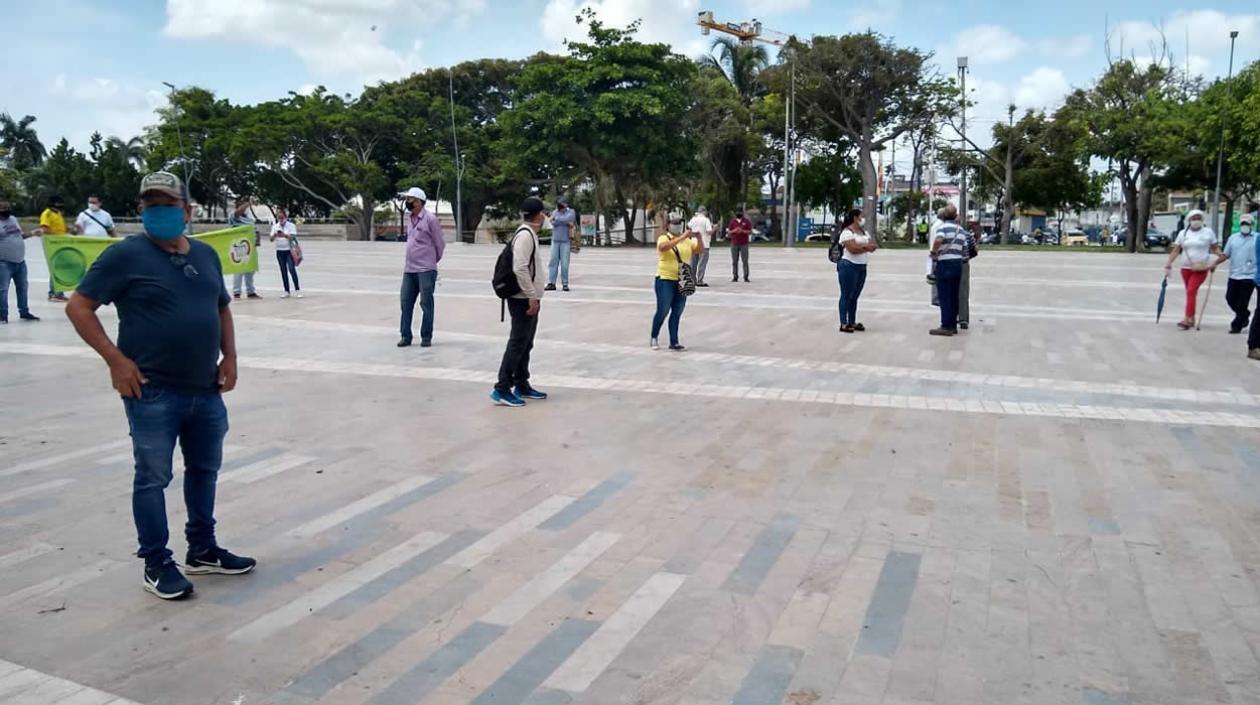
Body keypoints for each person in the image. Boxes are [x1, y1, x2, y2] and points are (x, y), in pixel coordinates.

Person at [65, 171, 254, 601]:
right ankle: (156, 562)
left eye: (168, 206)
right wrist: (116, 360)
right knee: (152, 478)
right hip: (152, 392)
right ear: (141, 211)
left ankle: (202, 549)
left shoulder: (206, 254)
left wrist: (231, 359)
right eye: (151, 206)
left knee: (205, 470)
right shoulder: (125, 256)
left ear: (186, 211)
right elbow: (79, 307)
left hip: (205, 388)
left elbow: (221, 308)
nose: (159, 213)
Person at [491, 197, 548, 408]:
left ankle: (521, 383)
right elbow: (520, 268)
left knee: (526, 342)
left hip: (528, 298)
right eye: (543, 214)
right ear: (538, 215)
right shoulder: (525, 236)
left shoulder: (528, 233)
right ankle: (502, 388)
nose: (545, 218)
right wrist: (532, 295)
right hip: (522, 299)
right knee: (517, 343)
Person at [397, 187, 445, 348]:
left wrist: (431, 261)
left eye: (410, 200)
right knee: (405, 301)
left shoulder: (430, 219)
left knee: (426, 303)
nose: (407, 203)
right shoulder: (409, 219)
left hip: (426, 269)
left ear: (418, 202)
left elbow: (440, 244)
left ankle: (426, 336)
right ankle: (405, 335)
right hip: (409, 269)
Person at [1164, 209, 1221, 330]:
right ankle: (1192, 317)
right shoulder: (1183, 233)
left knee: (1191, 290)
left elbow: (1215, 248)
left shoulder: (1208, 232)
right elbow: (1176, 250)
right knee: (1191, 293)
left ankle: (1187, 318)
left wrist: (1218, 258)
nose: (1196, 220)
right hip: (1186, 268)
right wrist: (1169, 263)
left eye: (1198, 218)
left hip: (1201, 268)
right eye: (1194, 218)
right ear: (1189, 220)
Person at [651, 214, 701, 351]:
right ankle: (654, 336)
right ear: (668, 225)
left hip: (682, 280)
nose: (677, 225)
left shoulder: (687, 241)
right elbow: (663, 247)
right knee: (663, 309)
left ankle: (674, 341)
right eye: (674, 222)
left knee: (677, 311)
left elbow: (699, 250)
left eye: (679, 222)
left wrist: (700, 238)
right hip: (665, 279)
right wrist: (682, 237)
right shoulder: (664, 237)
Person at [930, 204, 969, 336]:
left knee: (944, 295)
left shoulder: (942, 228)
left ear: (944, 215)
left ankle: (946, 325)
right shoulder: (961, 230)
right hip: (957, 264)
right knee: (954, 296)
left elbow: (938, 240)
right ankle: (953, 325)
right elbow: (965, 250)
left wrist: (934, 252)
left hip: (945, 263)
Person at [835, 208, 877, 333]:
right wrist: (866, 247)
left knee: (854, 296)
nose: (863, 219)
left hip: (861, 266)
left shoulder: (863, 232)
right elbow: (852, 249)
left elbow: (873, 245)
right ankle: (844, 323)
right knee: (846, 295)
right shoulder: (846, 232)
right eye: (861, 216)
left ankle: (852, 321)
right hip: (848, 265)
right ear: (855, 218)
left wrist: (862, 247)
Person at [0, 200, 40, 323]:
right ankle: (3, 315)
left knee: (22, 288)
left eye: (8, 207)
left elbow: (20, 235)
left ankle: (24, 312)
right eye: (3, 208)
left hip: (20, 262)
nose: (7, 210)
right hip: (4, 263)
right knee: (3, 290)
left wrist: (33, 233)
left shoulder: (13, 219)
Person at [1218, 213, 1257, 334]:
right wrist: (1214, 264)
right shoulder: (1233, 238)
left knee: (1242, 301)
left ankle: (1237, 325)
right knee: (1230, 298)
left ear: (1252, 225)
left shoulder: (1257, 238)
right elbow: (1226, 254)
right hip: (1234, 274)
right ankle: (1244, 314)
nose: (1245, 226)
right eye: (1243, 224)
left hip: (1250, 276)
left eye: (1247, 224)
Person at [41, 194, 77, 301]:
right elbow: (44, 228)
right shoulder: (47, 213)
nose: (61, 205)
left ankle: (59, 292)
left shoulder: (58, 214)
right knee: (56, 268)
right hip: (53, 244)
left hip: (61, 244)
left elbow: (61, 227)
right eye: (58, 203)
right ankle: (53, 292)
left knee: (60, 268)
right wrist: (56, 237)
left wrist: (69, 229)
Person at [228, 198, 262, 300]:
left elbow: (255, 229)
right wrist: (249, 203)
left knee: (250, 270)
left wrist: (257, 239)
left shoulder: (248, 218)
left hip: (250, 246)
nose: (245, 208)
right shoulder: (234, 216)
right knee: (239, 270)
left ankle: (250, 291)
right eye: (243, 206)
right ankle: (237, 292)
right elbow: (238, 212)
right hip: (239, 246)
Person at [545, 197, 576, 292]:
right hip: (555, 240)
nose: (560, 207)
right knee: (553, 262)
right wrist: (562, 221)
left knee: (565, 263)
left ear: (566, 204)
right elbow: (553, 223)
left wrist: (558, 218)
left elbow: (569, 219)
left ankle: (565, 283)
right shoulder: (555, 211)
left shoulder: (571, 212)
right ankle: (551, 283)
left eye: (561, 205)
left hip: (565, 241)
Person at [270, 208, 302, 299]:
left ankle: (297, 289)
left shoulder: (291, 225)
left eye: (282, 217)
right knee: (283, 271)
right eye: (279, 218)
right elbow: (271, 239)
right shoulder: (275, 226)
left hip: (289, 250)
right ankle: (286, 290)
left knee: (291, 269)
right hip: (279, 251)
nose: (281, 220)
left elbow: (293, 237)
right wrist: (275, 235)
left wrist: (285, 235)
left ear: (286, 217)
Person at [958, 222, 980, 330]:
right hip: (963, 264)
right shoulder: (967, 234)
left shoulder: (944, 232)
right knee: (963, 292)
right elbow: (975, 250)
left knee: (950, 292)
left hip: (948, 264)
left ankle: (950, 318)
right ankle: (963, 319)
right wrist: (967, 257)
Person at [688, 206, 714, 287]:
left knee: (693, 263)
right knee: (702, 263)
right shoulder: (706, 220)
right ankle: (700, 280)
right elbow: (709, 231)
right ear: (704, 212)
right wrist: (715, 228)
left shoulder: (693, 219)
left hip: (693, 243)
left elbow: (688, 227)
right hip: (704, 244)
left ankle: (692, 280)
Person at [727, 208, 752, 283]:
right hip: (734, 243)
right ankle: (735, 276)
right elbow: (729, 232)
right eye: (737, 212)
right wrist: (734, 231)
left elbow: (750, 231)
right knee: (734, 261)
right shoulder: (732, 222)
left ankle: (746, 276)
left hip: (744, 243)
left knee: (745, 261)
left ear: (742, 213)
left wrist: (742, 231)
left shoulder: (746, 221)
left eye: (740, 212)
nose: (739, 213)